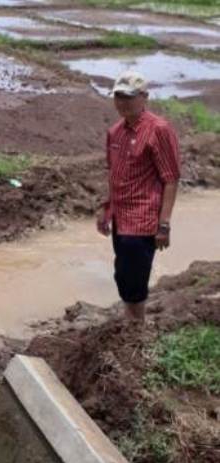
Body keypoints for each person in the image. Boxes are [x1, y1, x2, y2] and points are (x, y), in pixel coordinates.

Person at [96, 71, 180, 323]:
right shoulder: (115, 132)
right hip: (120, 217)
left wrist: (164, 224)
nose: (122, 102)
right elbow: (114, 174)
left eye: (129, 97)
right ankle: (132, 322)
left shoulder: (159, 130)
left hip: (143, 219)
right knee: (122, 275)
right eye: (118, 96)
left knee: (134, 280)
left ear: (144, 97)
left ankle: (136, 328)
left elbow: (171, 178)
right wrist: (105, 208)